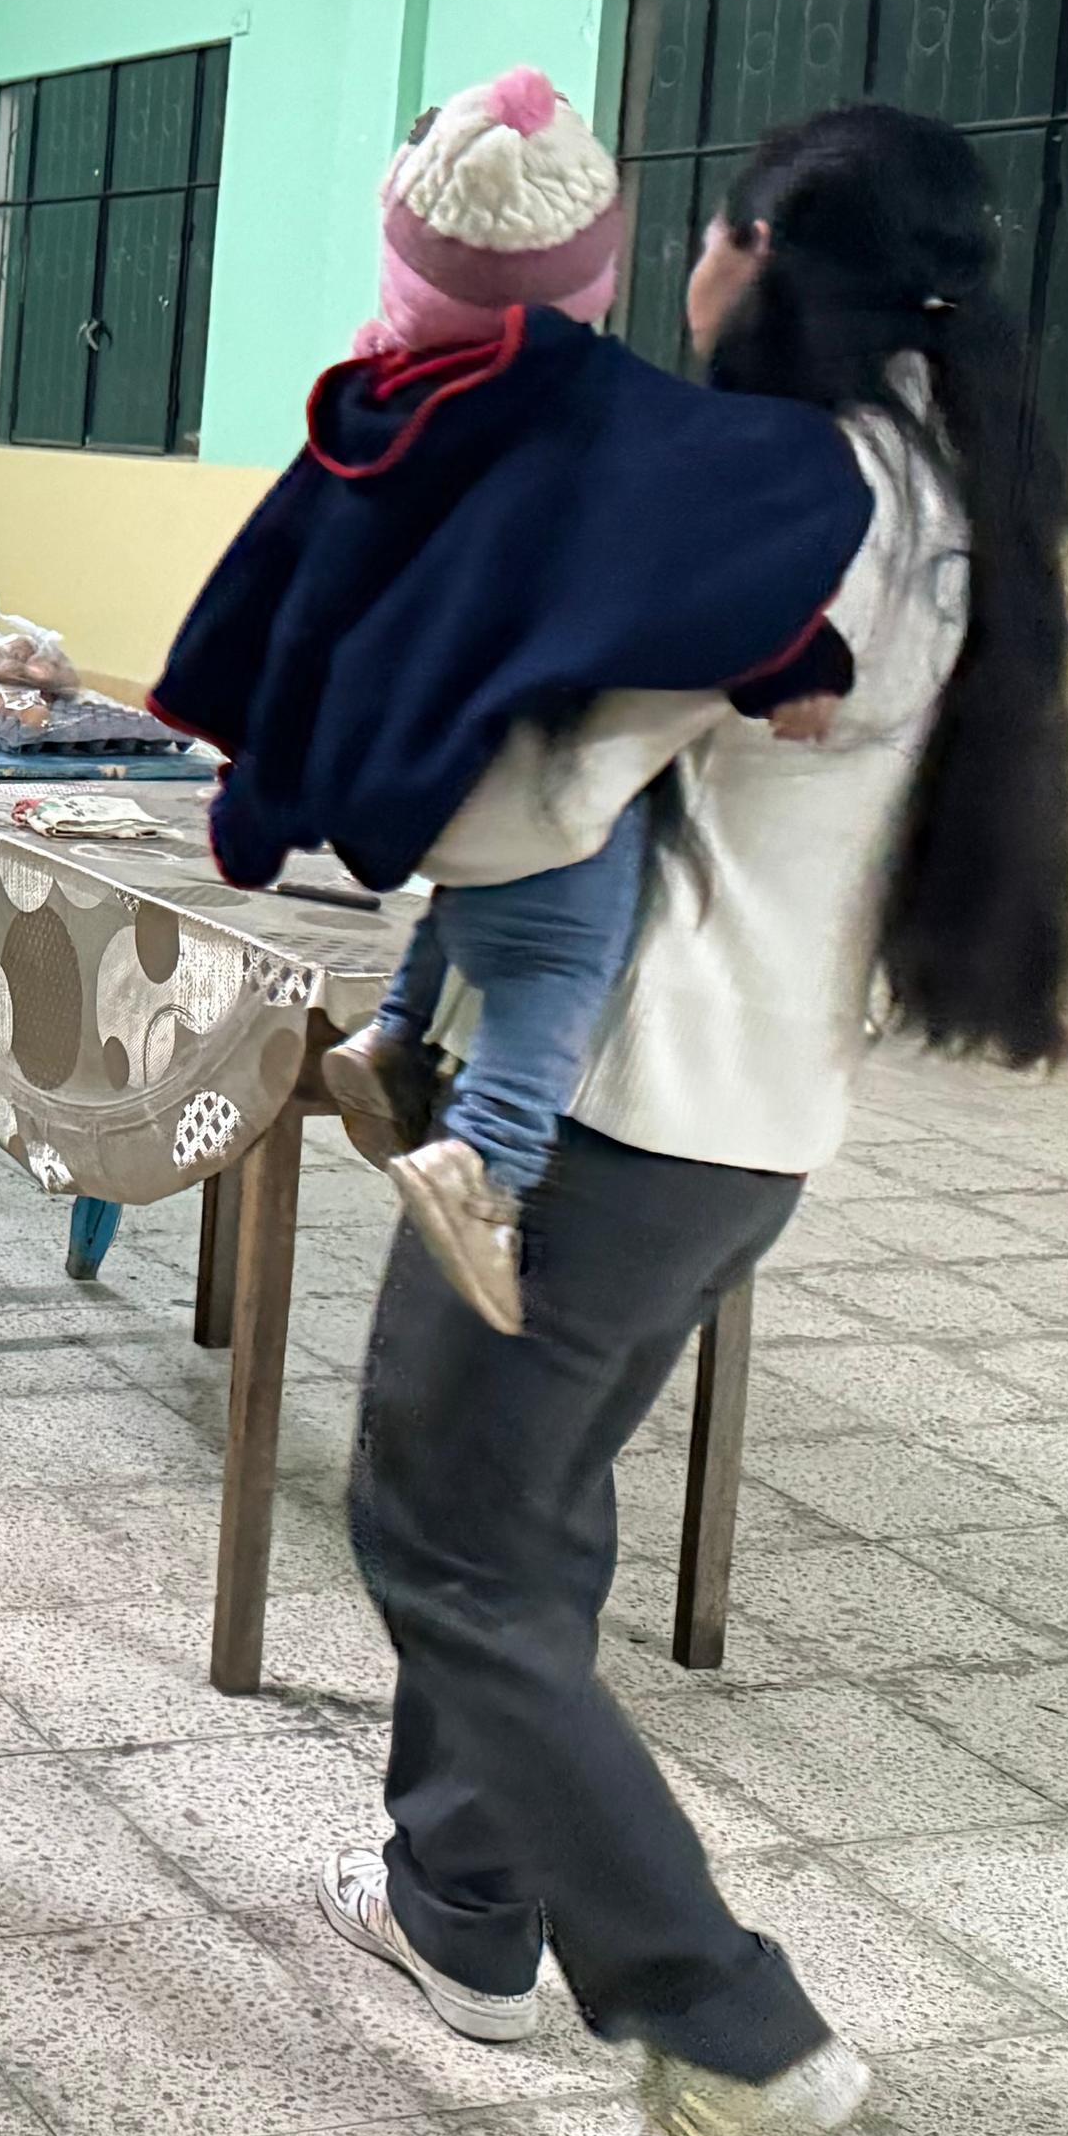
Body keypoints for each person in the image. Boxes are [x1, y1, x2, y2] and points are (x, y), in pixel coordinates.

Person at [309, 101, 1068, 2136]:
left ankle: (722, 2029)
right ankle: (461, 1901)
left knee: (444, 1538)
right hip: (748, 1123)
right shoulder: (943, 489)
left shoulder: (783, 488)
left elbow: (533, 768)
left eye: (707, 234)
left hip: (610, 1112)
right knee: (530, 1511)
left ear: (753, 254)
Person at [153, 67, 868, 1329]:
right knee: (553, 962)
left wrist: (261, 780)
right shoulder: (590, 413)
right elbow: (682, 568)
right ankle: (484, 1155)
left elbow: (287, 590)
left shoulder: (372, 404)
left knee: (468, 901)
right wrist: (794, 658)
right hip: (528, 782)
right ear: (594, 265)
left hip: (417, 770)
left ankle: (392, 1037)